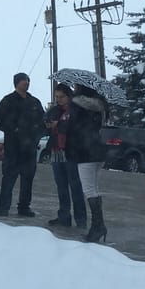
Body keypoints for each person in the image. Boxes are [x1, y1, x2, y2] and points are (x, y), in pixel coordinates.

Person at [0, 73, 45, 217]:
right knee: (9, 178)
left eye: (28, 80)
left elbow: (43, 122)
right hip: (13, 148)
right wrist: (13, 129)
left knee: (28, 178)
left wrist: (36, 137)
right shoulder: (8, 101)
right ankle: (4, 208)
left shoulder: (34, 102)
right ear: (16, 83)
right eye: (23, 80)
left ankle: (24, 207)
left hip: (30, 148)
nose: (26, 83)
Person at [66, 84, 108, 242]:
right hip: (98, 150)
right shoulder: (100, 105)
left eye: (75, 86)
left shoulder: (76, 105)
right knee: (94, 188)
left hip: (84, 151)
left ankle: (98, 227)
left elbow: (73, 129)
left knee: (89, 189)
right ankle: (99, 226)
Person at [44, 83, 86, 228]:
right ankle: (64, 216)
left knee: (75, 186)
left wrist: (60, 125)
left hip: (71, 151)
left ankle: (81, 219)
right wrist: (48, 125)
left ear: (68, 96)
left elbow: (77, 129)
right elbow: (47, 124)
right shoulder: (54, 110)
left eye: (62, 97)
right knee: (61, 186)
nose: (59, 99)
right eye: (56, 97)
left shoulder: (76, 110)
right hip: (56, 151)